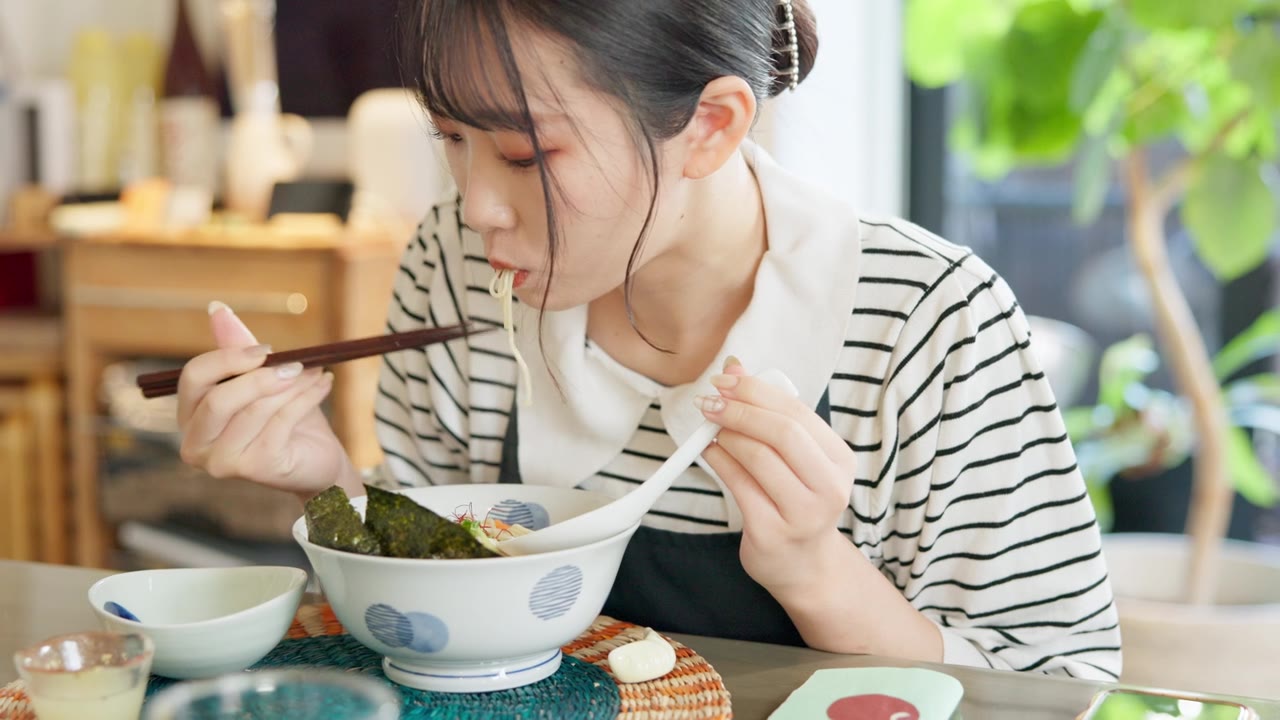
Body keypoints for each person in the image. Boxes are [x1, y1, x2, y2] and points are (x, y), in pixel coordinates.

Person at [175, 0, 1121, 680]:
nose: (478, 207)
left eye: (522, 154)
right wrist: (324, 481)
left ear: (710, 125)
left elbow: (1061, 687)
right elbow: (433, 623)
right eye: (449, 139)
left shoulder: (929, 322)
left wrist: (814, 570)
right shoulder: (453, 264)